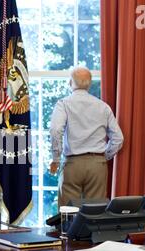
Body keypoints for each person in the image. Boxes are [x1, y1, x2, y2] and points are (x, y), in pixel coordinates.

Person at [49, 66, 124, 208]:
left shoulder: (63, 104)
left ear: (71, 83)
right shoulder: (103, 106)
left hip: (72, 164)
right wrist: (103, 157)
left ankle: (69, 231)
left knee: (68, 214)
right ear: (89, 84)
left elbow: (55, 130)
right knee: (95, 214)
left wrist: (56, 159)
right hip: (98, 166)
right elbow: (118, 138)